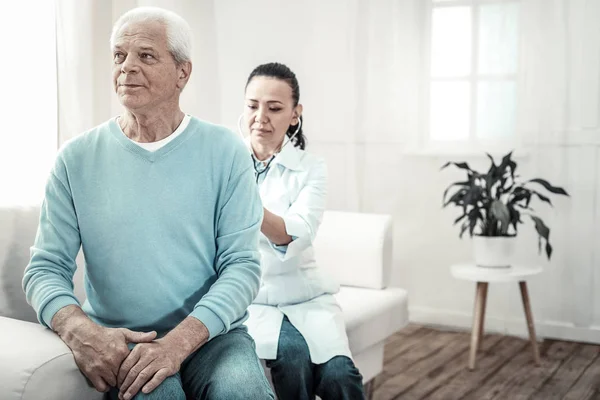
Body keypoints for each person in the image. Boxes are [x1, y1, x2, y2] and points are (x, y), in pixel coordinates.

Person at [22, 7, 274, 400]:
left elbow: (241, 267)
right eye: (119, 56)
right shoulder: (75, 159)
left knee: (244, 393)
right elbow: (43, 270)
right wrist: (82, 331)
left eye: (146, 55)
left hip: (213, 337)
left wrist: (177, 345)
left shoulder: (226, 151)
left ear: (182, 73)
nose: (127, 68)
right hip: (125, 342)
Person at [240, 62, 366, 400]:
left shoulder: (312, 168)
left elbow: (293, 234)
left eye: (275, 108)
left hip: (305, 294)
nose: (260, 116)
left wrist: (240, 195)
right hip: (253, 299)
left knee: (340, 375)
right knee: (291, 358)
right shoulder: (226, 161)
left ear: (295, 114)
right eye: (253, 105)